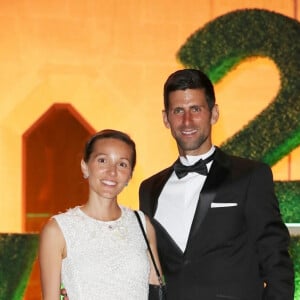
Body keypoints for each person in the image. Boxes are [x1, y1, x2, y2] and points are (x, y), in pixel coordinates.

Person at [139, 69, 294, 300]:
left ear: (214, 113)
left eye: (196, 109)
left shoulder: (250, 176)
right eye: (178, 110)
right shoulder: (149, 189)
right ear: (166, 118)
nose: (187, 120)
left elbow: (276, 262)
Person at [39, 129, 163, 300]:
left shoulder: (142, 224)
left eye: (122, 164)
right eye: (102, 161)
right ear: (85, 167)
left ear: (130, 176)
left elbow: (156, 288)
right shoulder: (57, 230)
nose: (112, 172)